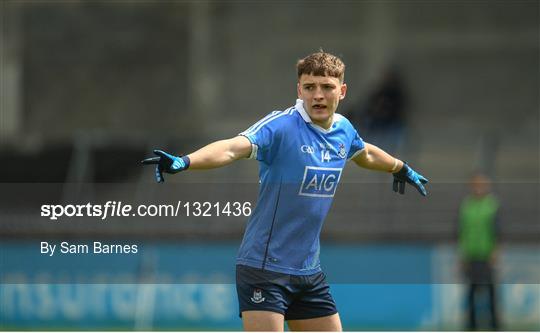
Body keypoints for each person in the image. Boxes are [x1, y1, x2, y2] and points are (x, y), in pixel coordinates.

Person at [142, 51, 428, 331]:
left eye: (327, 87)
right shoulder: (281, 127)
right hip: (264, 268)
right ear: (299, 90)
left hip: (308, 271)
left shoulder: (344, 129)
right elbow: (231, 148)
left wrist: (399, 167)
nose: (318, 95)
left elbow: (364, 152)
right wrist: (185, 161)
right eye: (310, 87)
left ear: (342, 91)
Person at [458, 173, 500, 331]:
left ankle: (495, 326)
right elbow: (461, 232)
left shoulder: (492, 205)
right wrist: (462, 255)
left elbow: (497, 231)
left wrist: (495, 252)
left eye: (482, 184)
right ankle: (471, 327)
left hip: (486, 255)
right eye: (476, 184)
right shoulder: (466, 205)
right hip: (471, 255)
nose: (479, 187)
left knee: (491, 294)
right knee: (471, 294)